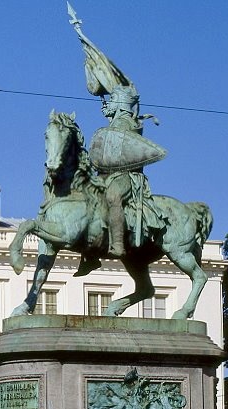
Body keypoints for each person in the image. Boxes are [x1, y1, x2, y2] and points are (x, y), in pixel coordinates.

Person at [68, 4, 164, 276]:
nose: (108, 106)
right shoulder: (108, 128)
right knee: (83, 200)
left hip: (126, 178)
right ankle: (90, 254)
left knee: (111, 197)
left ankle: (119, 244)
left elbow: (128, 153)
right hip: (106, 174)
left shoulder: (131, 125)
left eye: (113, 104)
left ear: (121, 107)